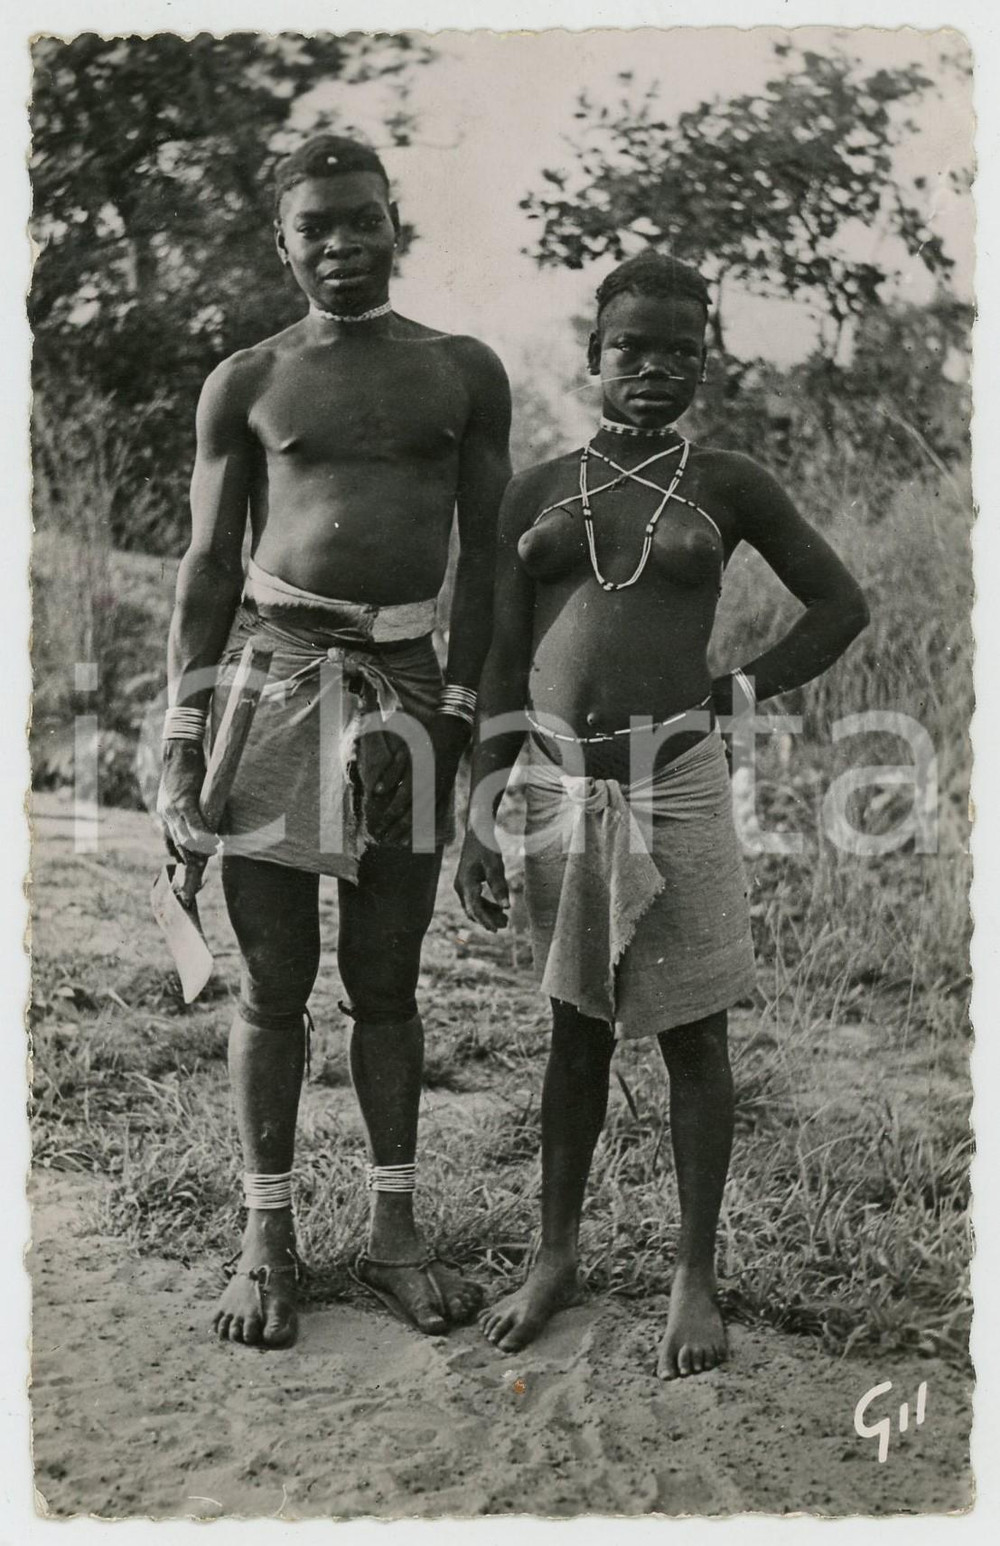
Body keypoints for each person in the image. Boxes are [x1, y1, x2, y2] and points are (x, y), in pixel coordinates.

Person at [455, 252, 869, 1379]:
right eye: (632, 346)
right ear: (592, 355)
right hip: (553, 784)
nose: (655, 368)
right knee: (574, 1028)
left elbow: (841, 603)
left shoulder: (726, 481)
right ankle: (554, 1255)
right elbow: (497, 653)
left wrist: (739, 690)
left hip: (675, 780)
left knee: (694, 1031)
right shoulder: (536, 488)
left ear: (704, 363)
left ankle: (694, 1271)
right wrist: (479, 801)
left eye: (681, 351)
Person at [156, 133, 511, 1348]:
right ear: (284, 240)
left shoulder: (461, 372)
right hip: (277, 675)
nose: (342, 244)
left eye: (362, 219)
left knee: (388, 979)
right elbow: (206, 564)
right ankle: (266, 1235)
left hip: (407, 685)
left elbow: (490, 572)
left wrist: (462, 722)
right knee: (270, 978)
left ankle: (396, 1237)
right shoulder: (246, 380)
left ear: (394, 223)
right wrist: (180, 729)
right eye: (317, 227)